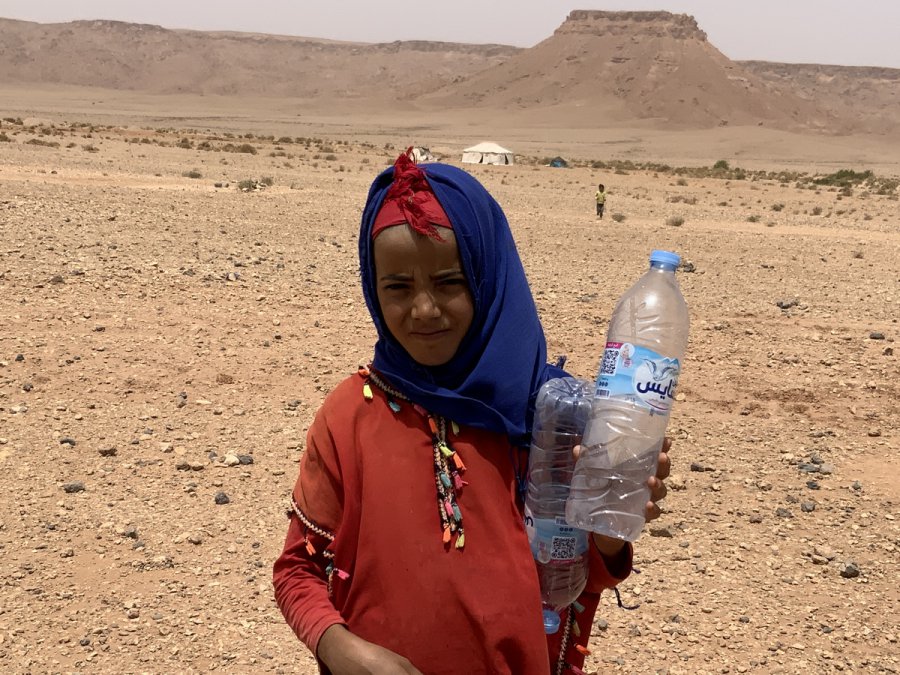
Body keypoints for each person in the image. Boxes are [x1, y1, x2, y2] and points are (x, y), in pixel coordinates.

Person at [273, 149, 671, 675]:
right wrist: (339, 648)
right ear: (372, 288)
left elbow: (577, 576)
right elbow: (298, 569)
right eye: (397, 288)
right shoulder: (350, 415)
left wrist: (611, 518)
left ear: (487, 276)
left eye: (449, 282)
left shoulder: (549, 417)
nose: (424, 310)